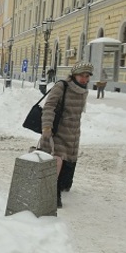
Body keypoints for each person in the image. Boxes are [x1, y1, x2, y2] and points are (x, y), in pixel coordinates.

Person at [35, 62, 92, 208]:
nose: (84, 79)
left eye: (87, 76)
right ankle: (52, 195)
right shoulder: (62, 86)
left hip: (73, 132)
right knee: (56, 160)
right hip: (57, 130)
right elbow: (49, 106)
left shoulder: (83, 90)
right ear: (74, 75)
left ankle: (62, 185)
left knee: (69, 161)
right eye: (81, 76)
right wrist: (47, 127)